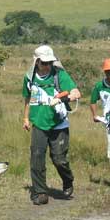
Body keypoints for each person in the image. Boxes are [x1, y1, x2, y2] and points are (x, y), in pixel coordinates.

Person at [22, 45, 81, 205]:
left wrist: (63, 98)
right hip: (39, 123)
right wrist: (26, 118)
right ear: (37, 62)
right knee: (37, 157)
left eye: (50, 63)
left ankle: (67, 180)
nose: (47, 66)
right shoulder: (29, 78)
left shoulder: (59, 75)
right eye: (44, 63)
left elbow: (76, 92)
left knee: (59, 159)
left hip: (58, 124)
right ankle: (41, 192)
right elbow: (27, 99)